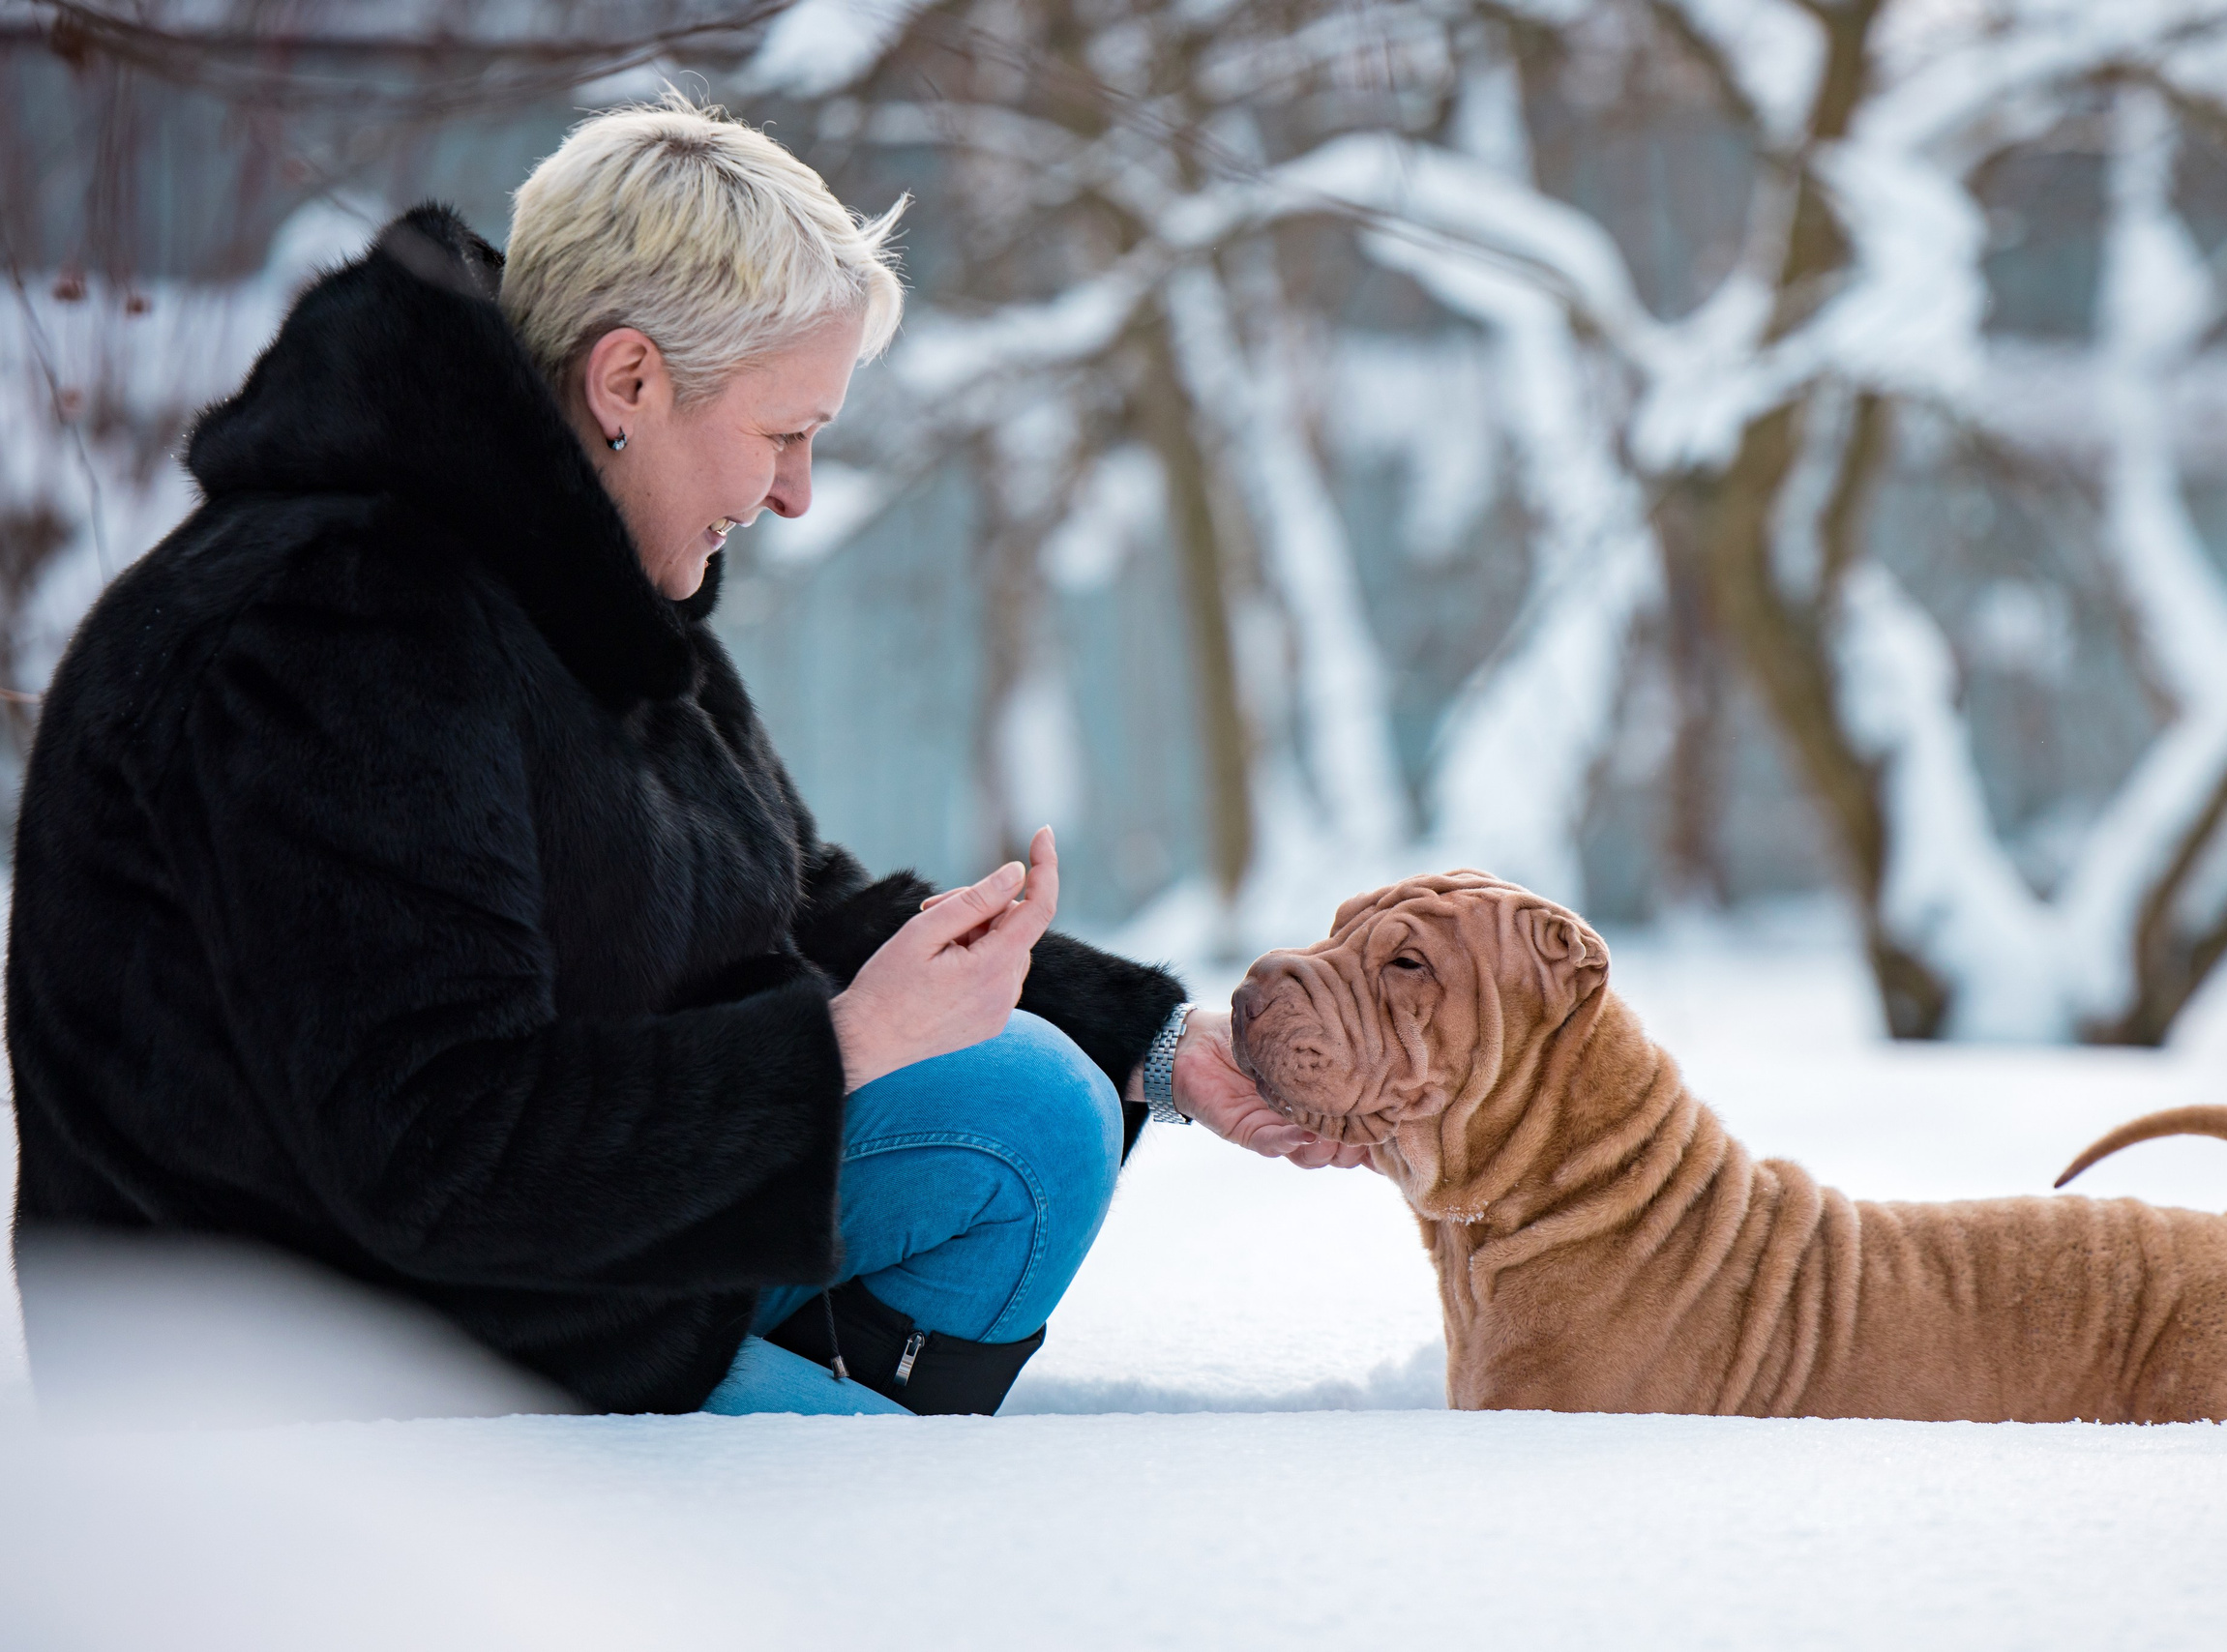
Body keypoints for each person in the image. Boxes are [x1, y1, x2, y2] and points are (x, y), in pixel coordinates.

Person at [7, 95, 1365, 1420]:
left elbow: (790, 900)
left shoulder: (576, 584)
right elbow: (434, 1150)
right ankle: (825, 1529)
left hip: (549, 1283)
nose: (796, 494)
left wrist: (1153, 1047)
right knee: (989, 1174)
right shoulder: (338, 625)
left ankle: (847, 1448)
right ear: (629, 381)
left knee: (1037, 1105)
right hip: (336, 1384)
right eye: (784, 433)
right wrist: (840, 1049)